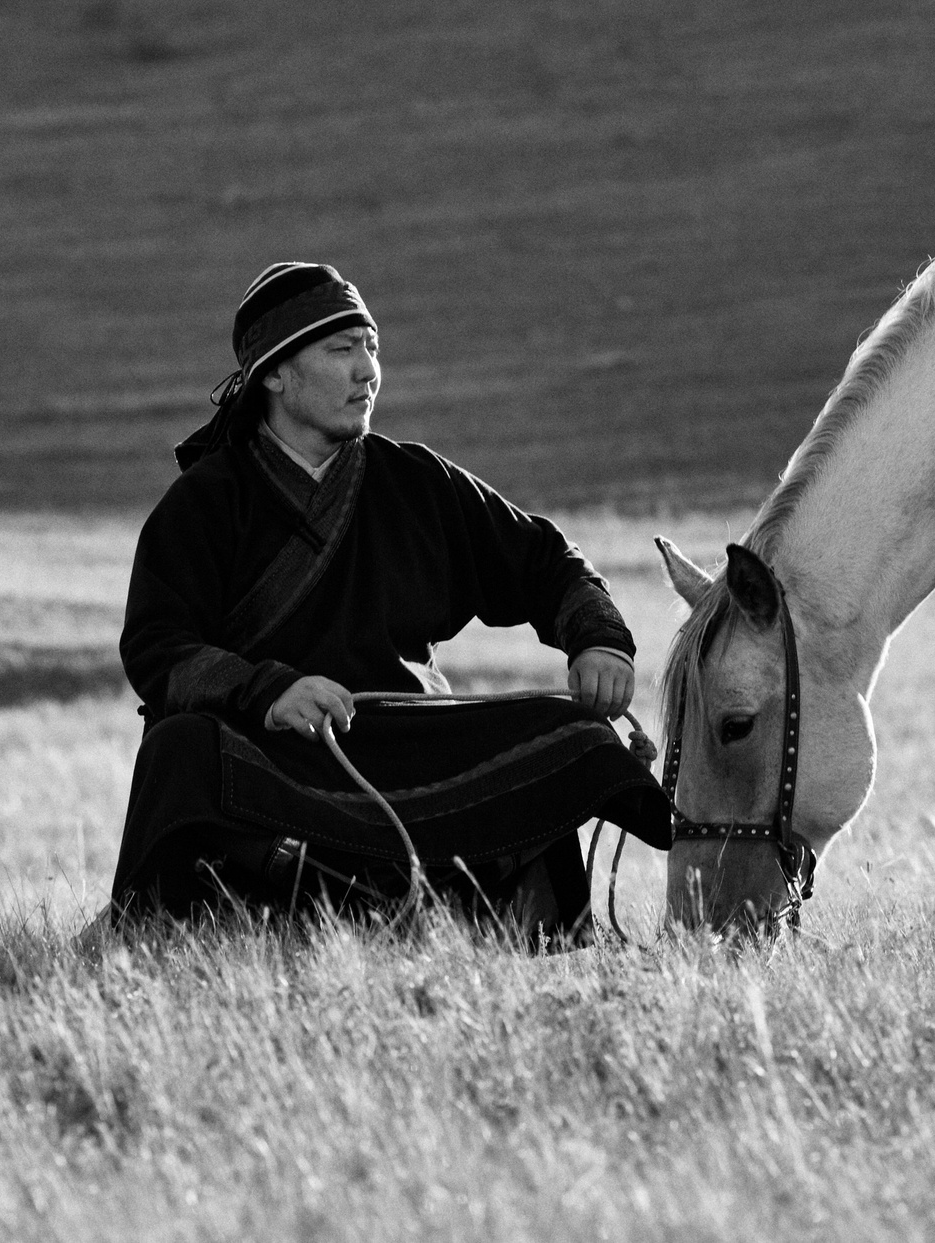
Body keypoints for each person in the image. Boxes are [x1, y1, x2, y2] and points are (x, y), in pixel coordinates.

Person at [104, 261, 670, 939]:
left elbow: (546, 561)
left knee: (570, 730)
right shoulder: (204, 503)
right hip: (277, 756)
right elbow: (159, 649)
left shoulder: (418, 482)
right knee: (179, 748)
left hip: (410, 744)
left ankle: (524, 928)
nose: (368, 370)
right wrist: (268, 691)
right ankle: (288, 906)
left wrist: (598, 639)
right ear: (274, 375)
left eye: (372, 347)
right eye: (342, 350)